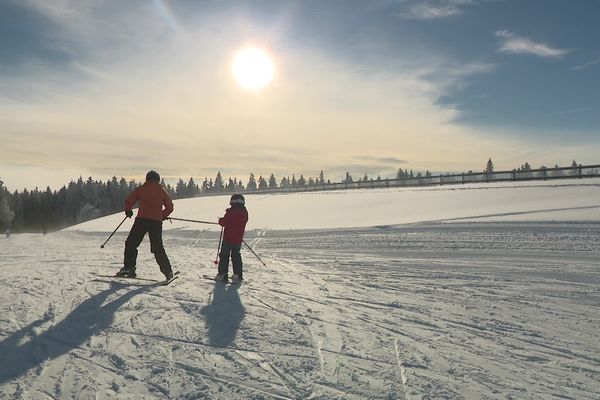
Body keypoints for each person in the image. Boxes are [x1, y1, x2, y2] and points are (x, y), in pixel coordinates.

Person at [116, 170, 174, 280]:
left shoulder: (141, 189)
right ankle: (168, 271)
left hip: (142, 220)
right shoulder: (162, 191)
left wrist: (128, 210)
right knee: (157, 247)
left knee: (131, 243)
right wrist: (162, 215)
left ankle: (129, 268)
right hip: (156, 222)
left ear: (147, 179)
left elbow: (129, 201)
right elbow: (170, 207)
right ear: (158, 180)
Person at [216, 194, 248, 283]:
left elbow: (225, 221)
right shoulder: (244, 212)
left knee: (224, 255)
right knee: (236, 255)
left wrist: (221, 220)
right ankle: (238, 274)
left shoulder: (231, 212)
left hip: (228, 238)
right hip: (238, 239)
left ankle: (222, 274)